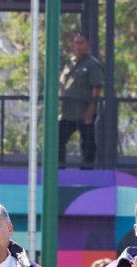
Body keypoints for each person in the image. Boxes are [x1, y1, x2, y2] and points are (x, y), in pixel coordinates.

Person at [57, 33, 103, 169]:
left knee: (87, 142)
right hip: (67, 112)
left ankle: (87, 169)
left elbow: (96, 87)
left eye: (81, 43)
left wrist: (91, 110)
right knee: (58, 140)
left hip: (83, 112)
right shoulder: (70, 63)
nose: (78, 46)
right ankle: (59, 168)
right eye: (76, 43)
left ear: (88, 45)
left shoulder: (92, 65)